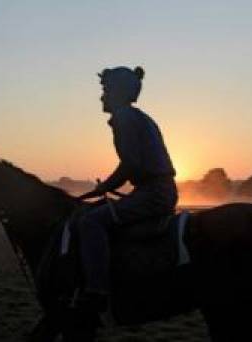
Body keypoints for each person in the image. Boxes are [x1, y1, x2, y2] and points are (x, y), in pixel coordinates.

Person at [74, 66, 178, 311]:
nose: (102, 96)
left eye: (106, 90)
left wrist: (103, 189)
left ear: (119, 92)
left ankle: (97, 291)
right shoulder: (134, 116)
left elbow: (131, 164)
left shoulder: (124, 118)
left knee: (90, 222)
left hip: (154, 195)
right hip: (153, 190)